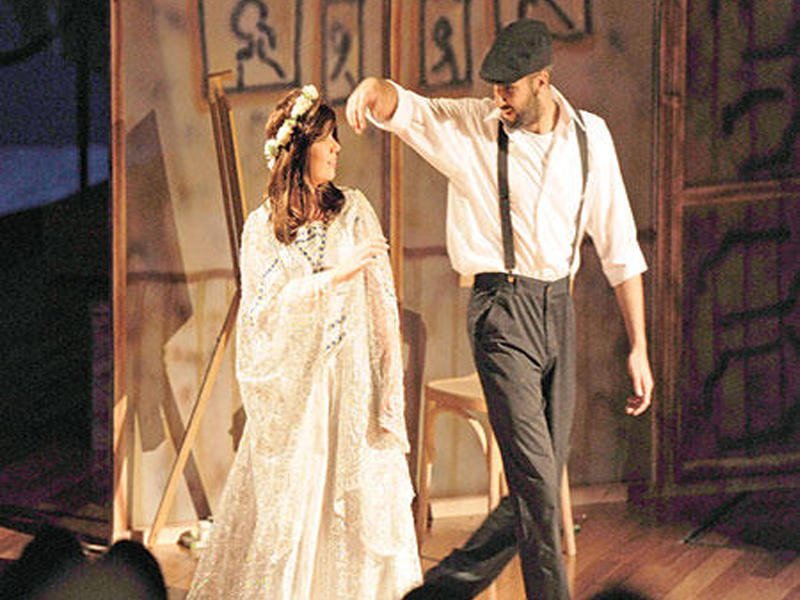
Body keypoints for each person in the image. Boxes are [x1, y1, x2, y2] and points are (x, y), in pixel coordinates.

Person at [346, 18, 653, 600]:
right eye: (493, 88)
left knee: (538, 486)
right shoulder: (473, 129)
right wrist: (372, 89)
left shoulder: (591, 138)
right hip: (501, 314)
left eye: (508, 88)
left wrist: (638, 346)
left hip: (558, 312)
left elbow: (620, 248)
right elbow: (409, 109)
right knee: (538, 485)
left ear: (541, 81)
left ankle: (437, 594)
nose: (498, 99)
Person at [186, 84, 421, 599]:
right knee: (297, 505)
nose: (337, 148)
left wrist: (388, 390)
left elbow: (382, 304)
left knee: (356, 503)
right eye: (326, 139)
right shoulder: (262, 229)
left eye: (336, 138)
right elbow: (262, 314)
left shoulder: (354, 209)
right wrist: (334, 276)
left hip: (352, 387)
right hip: (302, 398)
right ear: (298, 150)